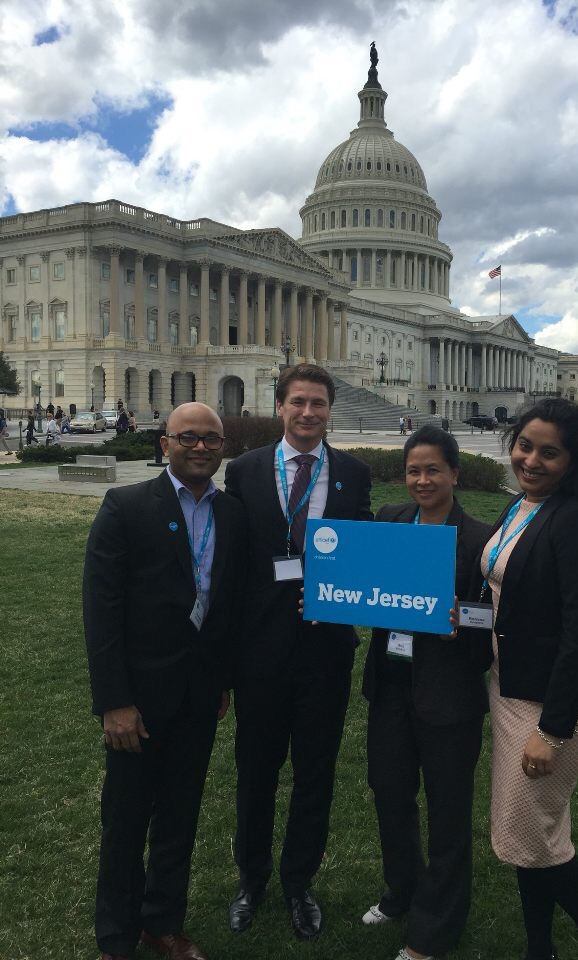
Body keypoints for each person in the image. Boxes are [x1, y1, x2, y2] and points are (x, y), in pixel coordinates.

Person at [465, 398, 578, 960]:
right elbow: (505, 593)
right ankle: (540, 942)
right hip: (509, 684)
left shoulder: (577, 520)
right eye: (524, 446)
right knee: (536, 827)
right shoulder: (522, 506)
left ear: (573, 460)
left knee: (526, 829)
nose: (531, 460)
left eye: (549, 452)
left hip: (555, 702)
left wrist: (553, 728)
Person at [83, 402, 247, 960]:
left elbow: (223, 607)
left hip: (199, 695)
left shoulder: (232, 515)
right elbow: (101, 611)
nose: (200, 448)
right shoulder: (126, 506)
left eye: (211, 440)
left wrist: (221, 680)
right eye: (188, 438)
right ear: (165, 444)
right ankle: (115, 937)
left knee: (180, 816)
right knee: (126, 821)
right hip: (139, 700)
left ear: (223, 448)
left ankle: (162, 922)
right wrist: (114, 701)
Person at [224, 363, 372, 940]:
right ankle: (251, 878)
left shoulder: (353, 473)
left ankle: (298, 881)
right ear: (280, 406)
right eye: (299, 403)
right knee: (255, 772)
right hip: (259, 649)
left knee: (316, 773)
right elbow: (235, 562)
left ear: (329, 409)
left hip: (325, 650)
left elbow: (360, 549)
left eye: (319, 404)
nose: (309, 413)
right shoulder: (246, 470)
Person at [361, 425, 490, 960]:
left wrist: (469, 619)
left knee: (447, 810)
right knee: (390, 792)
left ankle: (434, 929)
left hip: (450, 693)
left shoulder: (481, 538)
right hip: (390, 684)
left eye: (433, 469)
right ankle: (402, 890)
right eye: (414, 470)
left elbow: (498, 618)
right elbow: (358, 577)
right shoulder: (391, 520)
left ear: (455, 473)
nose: (422, 480)